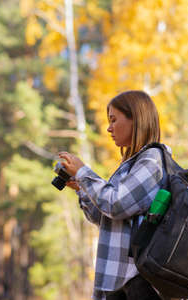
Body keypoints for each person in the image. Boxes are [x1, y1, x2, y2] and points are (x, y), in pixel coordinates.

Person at [58, 90, 170, 300]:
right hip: (118, 283)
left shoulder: (153, 160)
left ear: (135, 119)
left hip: (137, 285)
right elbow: (104, 216)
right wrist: (82, 189)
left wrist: (84, 172)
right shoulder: (131, 165)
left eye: (113, 120)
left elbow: (116, 204)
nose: (109, 128)